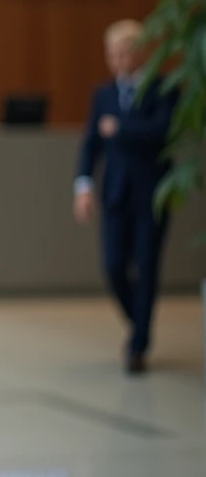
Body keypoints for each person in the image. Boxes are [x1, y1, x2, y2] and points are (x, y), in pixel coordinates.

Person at [74, 19, 176, 375]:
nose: (117, 61)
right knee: (114, 266)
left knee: (147, 267)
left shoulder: (164, 88)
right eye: (111, 54)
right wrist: (83, 185)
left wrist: (120, 129)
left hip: (152, 193)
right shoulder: (103, 95)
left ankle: (138, 345)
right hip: (116, 194)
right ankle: (140, 324)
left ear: (141, 52)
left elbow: (163, 132)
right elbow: (91, 144)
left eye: (123, 53)